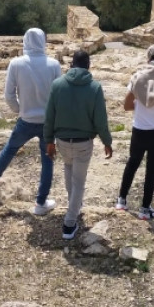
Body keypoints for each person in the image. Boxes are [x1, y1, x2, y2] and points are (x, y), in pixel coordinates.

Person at [0, 28, 62, 216]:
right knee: (48, 160)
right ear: (43, 41)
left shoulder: (16, 64)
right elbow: (60, 94)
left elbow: (8, 95)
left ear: (25, 41)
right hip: (48, 122)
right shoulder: (54, 64)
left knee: (11, 148)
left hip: (26, 119)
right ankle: (41, 203)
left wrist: (19, 109)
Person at [44, 50, 113, 240]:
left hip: (62, 141)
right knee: (79, 183)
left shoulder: (57, 85)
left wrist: (48, 140)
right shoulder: (95, 87)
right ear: (88, 65)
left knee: (68, 169)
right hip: (83, 143)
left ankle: (74, 206)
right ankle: (69, 223)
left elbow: (49, 116)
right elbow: (100, 120)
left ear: (72, 64)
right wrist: (107, 142)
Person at [115, 44, 154, 220]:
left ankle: (121, 200)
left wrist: (139, 105)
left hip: (139, 130)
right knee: (152, 171)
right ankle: (144, 209)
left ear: (148, 58)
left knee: (132, 164)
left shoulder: (137, 77)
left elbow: (127, 105)